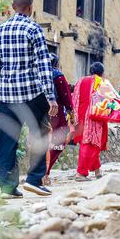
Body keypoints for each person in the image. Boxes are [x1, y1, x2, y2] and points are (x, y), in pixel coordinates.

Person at [0, 0, 58, 199]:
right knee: (40, 133)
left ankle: (7, 188)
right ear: (30, 7)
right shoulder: (34, 29)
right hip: (32, 94)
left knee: (7, 140)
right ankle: (34, 180)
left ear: (12, 7)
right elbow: (43, 65)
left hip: (8, 96)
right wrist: (51, 96)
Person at [71, 62, 108, 181]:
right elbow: (106, 101)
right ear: (101, 73)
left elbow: (75, 97)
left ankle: (97, 172)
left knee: (87, 142)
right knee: (91, 144)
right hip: (94, 115)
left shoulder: (81, 80)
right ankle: (80, 173)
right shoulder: (102, 82)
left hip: (80, 114)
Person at [44, 53, 77, 186]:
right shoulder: (58, 76)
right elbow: (66, 99)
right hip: (55, 116)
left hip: (39, 114)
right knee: (57, 145)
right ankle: (45, 174)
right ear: (57, 64)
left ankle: (38, 173)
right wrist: (72, 116)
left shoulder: (38, 74)